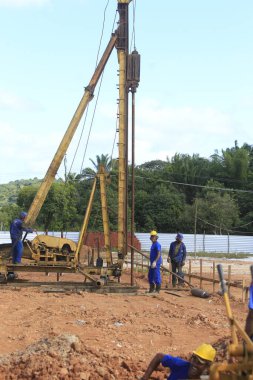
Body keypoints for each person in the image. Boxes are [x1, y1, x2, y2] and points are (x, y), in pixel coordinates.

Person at [140, 343, 216, 380]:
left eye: (200, 363)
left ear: (207, 366)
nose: (194, 364)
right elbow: (159, 356)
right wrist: (145, 377)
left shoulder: (206, 378)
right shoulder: (180, 365)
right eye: (194, 359)